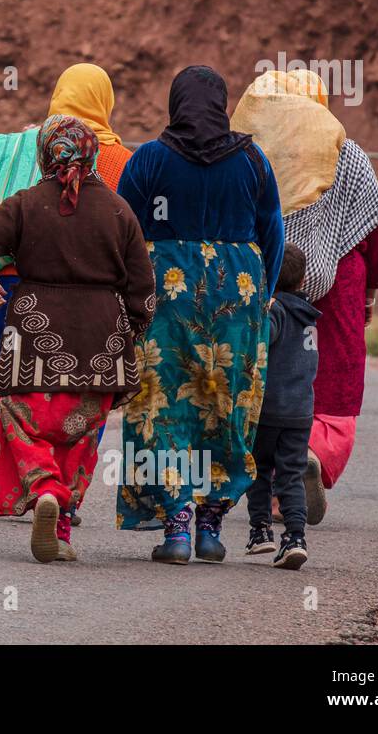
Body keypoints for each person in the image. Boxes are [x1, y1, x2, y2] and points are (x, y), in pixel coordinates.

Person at [0, 116, 155, 562]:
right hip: (101, 343)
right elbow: (144, 290)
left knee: (23, 417)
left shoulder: (25, 203)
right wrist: (131, 336)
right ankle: (61, 524)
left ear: (45, 154)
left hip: (33, 335)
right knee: (80, 431)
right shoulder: (120, 211)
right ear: (93, 154)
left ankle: (43, 487)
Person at [116, 65, 284, 565]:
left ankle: (177, 527)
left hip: (166, 294)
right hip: (238, 291)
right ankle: (211, 524)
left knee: (162, 402)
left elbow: (122, 228)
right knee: (226, 404)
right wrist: (263, 292)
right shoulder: (253, 160)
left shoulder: (149, 158)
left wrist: (125, 295)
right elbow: (271, 232)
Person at [0, 63, 133, 485]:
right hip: (94, 294)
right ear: (105, 101)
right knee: (85, 383)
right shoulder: (119, 161)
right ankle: (63, 479)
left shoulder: (37, 145)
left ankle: (17, 469)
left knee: (14, 376)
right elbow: (133, 248)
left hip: (15, 282)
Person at [232, 69, 378, 523]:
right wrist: (371, 292)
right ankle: (314, 458)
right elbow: (375, 228)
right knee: (335, 383)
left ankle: (278, 483)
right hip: (341, 279)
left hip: (274, 279)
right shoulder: (351, 154)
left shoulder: (258, 149)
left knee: (272, 377)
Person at [245, 243, 318, 570]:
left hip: (268, 409)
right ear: (302, 281)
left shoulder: (275, 311)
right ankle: (296, 537)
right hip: (300, 412)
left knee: (259, 469)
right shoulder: (311, 319)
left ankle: (261, 530)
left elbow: (263, 343)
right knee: (291, 475)